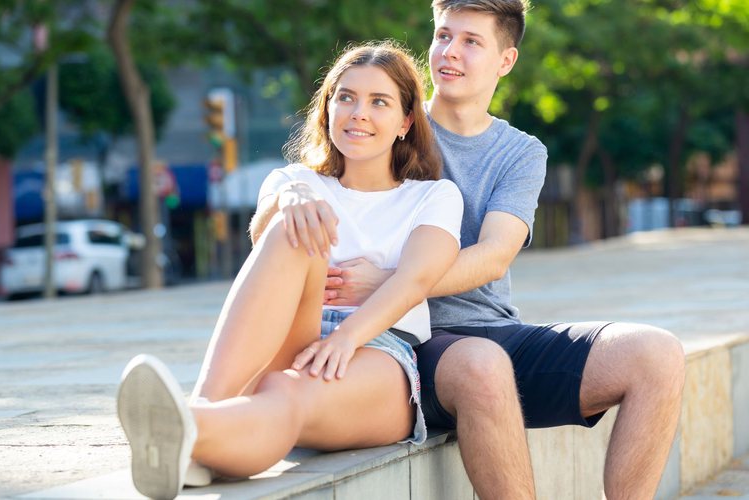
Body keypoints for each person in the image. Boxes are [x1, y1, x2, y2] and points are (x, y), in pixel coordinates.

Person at [260, 1, 687, 499]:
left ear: (505, 61)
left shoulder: (521, 152)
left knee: (657, 354)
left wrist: (392, 280)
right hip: (408, 344)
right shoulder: (387, 121)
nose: (450, 52)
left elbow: (494, 255)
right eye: (443, 35)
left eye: (470, 41)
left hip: (494, 328)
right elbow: (311, 175)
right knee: (480, 364)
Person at [116, 41, 464, 500]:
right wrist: (291, 199)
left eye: (379, 102)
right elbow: (265, 234)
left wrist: (346, 338)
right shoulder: (294, 181)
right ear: (327, 109)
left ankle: (186, 429)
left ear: (405, 121)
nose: (358, 112)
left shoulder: (432, 197)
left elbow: (416, 278)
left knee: (286, 390)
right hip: (293, 332)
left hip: (382, 351)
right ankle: (204, 409)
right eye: (346, 97)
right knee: (294, 225)